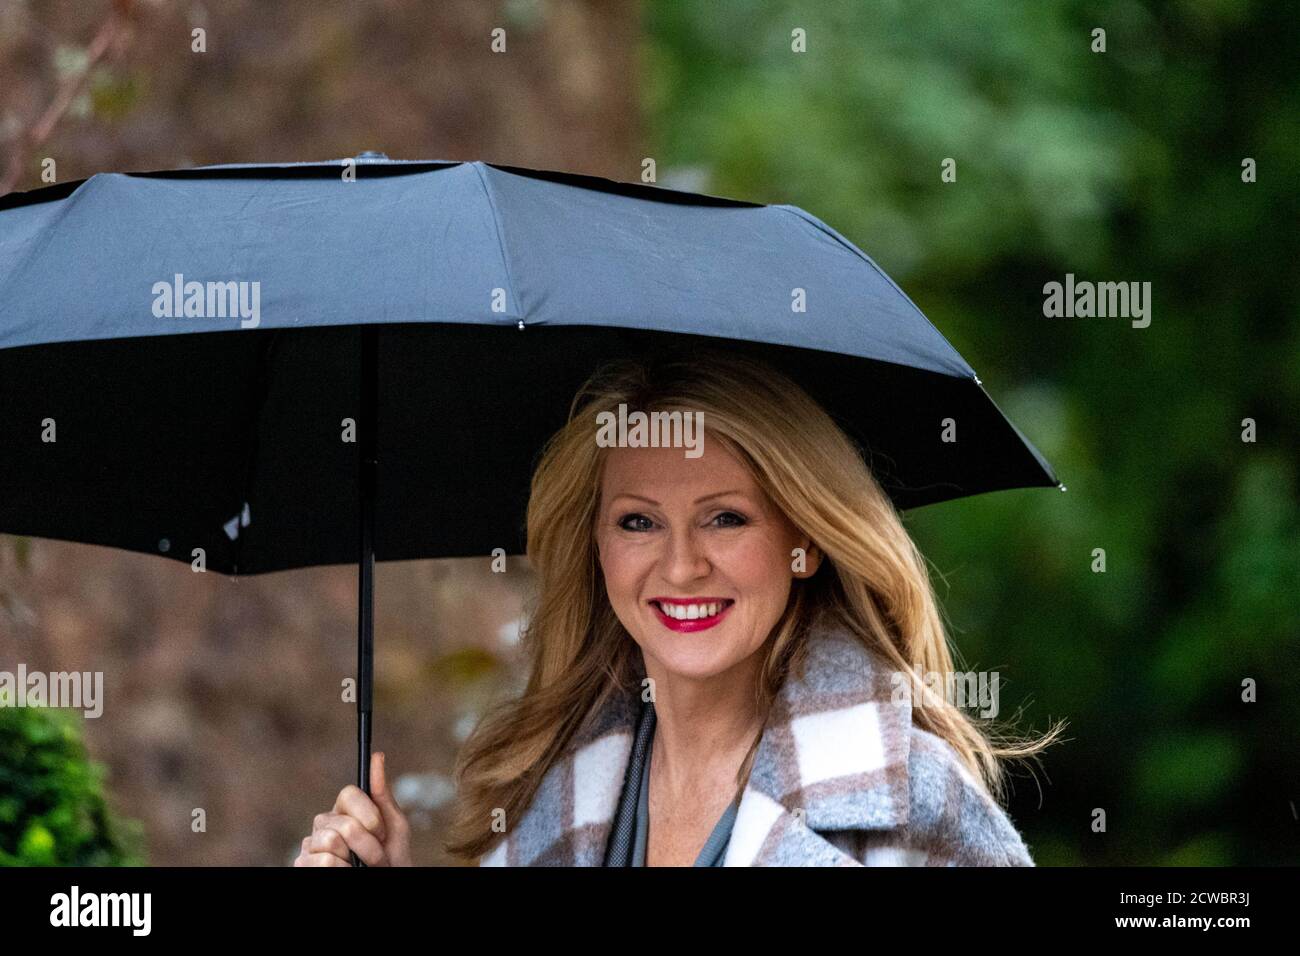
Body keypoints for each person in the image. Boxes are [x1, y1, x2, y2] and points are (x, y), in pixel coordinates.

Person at [294, 349, 1064, 867]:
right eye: (638, 521)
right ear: (596, 548)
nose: (682, 564)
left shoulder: (910, 799)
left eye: (726, 517)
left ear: (806, 539)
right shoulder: (541, 802)